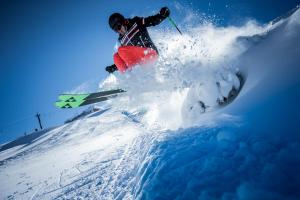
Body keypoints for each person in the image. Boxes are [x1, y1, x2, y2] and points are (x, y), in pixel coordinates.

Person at [105, 7, 170, 74]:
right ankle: (131, 79)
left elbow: (152, 20)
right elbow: (127, 58)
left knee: (121, 50)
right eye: (116, 30)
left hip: (150, 53)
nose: (119, 31)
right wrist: (114, 67)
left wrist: (162, 15)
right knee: (116, 57)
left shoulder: (136, 22)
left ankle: (135, 73)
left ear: (124, 21)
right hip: (140, 62)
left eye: (119, 26)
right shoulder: (122, 39)